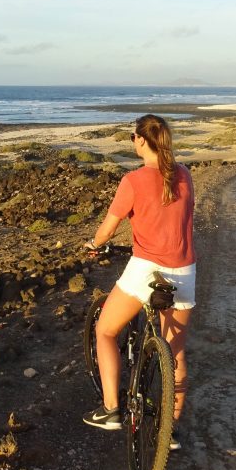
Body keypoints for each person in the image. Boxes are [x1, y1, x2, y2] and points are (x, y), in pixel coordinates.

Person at [83, 113, 196, 449]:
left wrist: (94, 245)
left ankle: (111, 410)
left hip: (146, 269)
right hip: (185, 271)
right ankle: (170, 430)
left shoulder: (133, 181)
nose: (133, 141)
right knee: (175, 353)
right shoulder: (186, 175)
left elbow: (107, 229)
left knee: (105, 330)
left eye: (133, 137)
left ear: (142, 141)